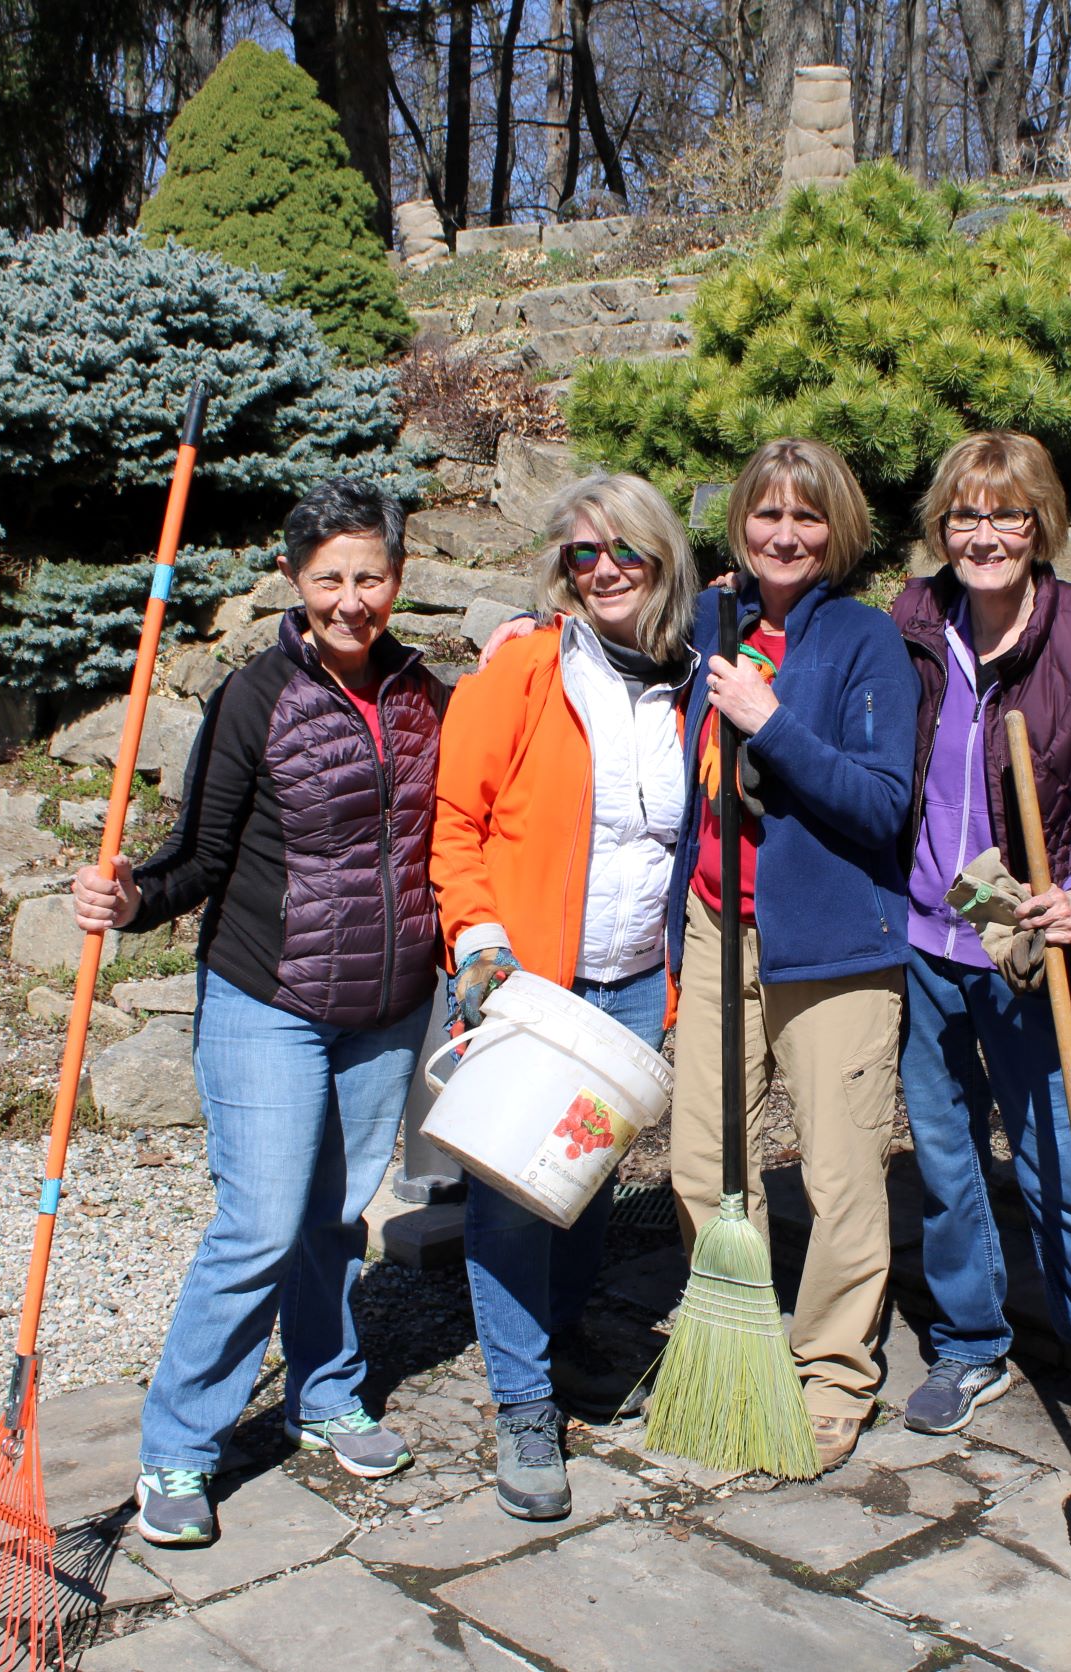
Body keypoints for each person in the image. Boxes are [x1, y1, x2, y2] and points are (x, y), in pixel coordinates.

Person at [70, 478, 444, 1547]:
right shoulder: (256, 695)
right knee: (261, 1223)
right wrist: (134, 895)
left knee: (334, 1215)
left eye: (369, 576)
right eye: (329, 576)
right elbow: (201, 853)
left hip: (386, 1001)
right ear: (294, 580)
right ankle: (179, 1446)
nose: (350, 598)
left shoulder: (427, 697)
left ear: (398, 581)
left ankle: (326, 1392)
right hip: (268, 995)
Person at [430, 472, 698, 1521]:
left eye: (624, 550)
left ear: (661, 558)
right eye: (583, 554)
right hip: (532, 974)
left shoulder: (692, 679)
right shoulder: (526, 669)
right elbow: (457, 823)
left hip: (634, 978)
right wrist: (481, 945)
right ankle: (525, 1403)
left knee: (586, 1176)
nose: (605, 571)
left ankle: (565, 1330)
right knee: (512, 1189)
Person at [890, 431, 1071, 1436]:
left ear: (1041, 522)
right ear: (941, 527)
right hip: (927, 941)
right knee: (948, 1165)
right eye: (965, 513)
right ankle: (969, 1344)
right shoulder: (917, 620)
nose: (985, 533)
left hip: (1026, 950)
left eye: (1005, 513)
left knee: (1059, 1167)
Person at [667, 438, 918, 1472]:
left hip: (834, 948)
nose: (785, 534)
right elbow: (604, 620)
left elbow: (882, 802)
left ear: (839, 529)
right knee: (701, 1162)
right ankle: (737, 1341)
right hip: (720, 925)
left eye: (807, 516)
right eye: (767, 514)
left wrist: (771, 724)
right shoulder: (710, 624)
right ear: (740, 524)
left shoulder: (865, 643)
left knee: (842, 1172)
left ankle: (832, 1371)